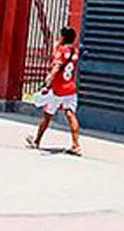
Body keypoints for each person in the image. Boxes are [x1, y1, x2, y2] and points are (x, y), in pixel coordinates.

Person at [25, 27, 82, 156]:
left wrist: (48, 81)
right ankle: (76, 145)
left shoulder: (61, 50)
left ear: (63, 37)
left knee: (47, 116)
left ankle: (36, 141)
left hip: (58, 90)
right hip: (70, 89)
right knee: (70, 115)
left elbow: (57, 66)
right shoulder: (75, 51)